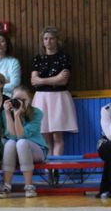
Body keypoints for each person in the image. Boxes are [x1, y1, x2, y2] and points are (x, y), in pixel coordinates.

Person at [31, 26, 78, 157]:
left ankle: (56, 167)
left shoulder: (64, 57)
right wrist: (54, 79)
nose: (48, 41)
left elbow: (63, 81)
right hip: (41, 98)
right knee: (45, 136)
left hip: (59, 98)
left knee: (57, 136)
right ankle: (48, 170)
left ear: (57, 40)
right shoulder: (38, 58)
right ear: (42, 41)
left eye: (52, 38)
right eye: (45, 38)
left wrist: (42, 80)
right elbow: (33, 81)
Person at [0, 85, 48, 198]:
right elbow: (11, 135)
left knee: (22, 142)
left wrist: (17, 115)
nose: (20, 102)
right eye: (16, 99)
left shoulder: (37, 113)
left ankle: (29, 186)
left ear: (29, 100)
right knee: (10, 143)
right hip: (17, 150)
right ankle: (7, 185)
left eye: (23, 100)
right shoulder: (6, 113)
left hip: (37, 150)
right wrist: (8, 114)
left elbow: (21, 135)